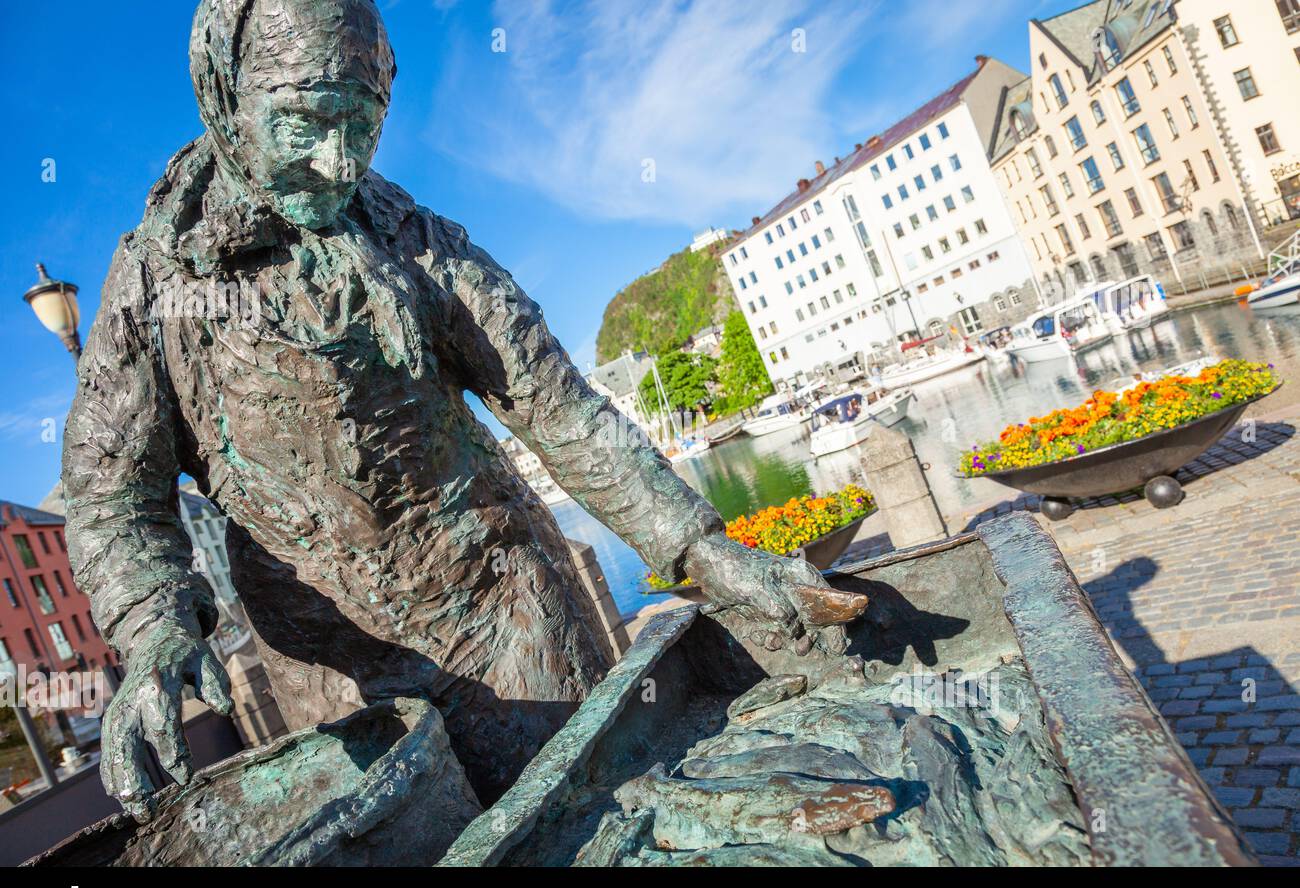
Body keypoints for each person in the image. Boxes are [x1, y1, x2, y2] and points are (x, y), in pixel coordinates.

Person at [64, 0, 867, 813]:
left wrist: (704, 552)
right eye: (304, 124)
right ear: (227, 95)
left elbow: (557, 406)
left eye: (365, 125)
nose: (339, 163)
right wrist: (152, 624)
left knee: (601, 815)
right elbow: (113, 494)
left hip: (504, 605)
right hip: (334, 675)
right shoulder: (157, 285)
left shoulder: (414, 241)